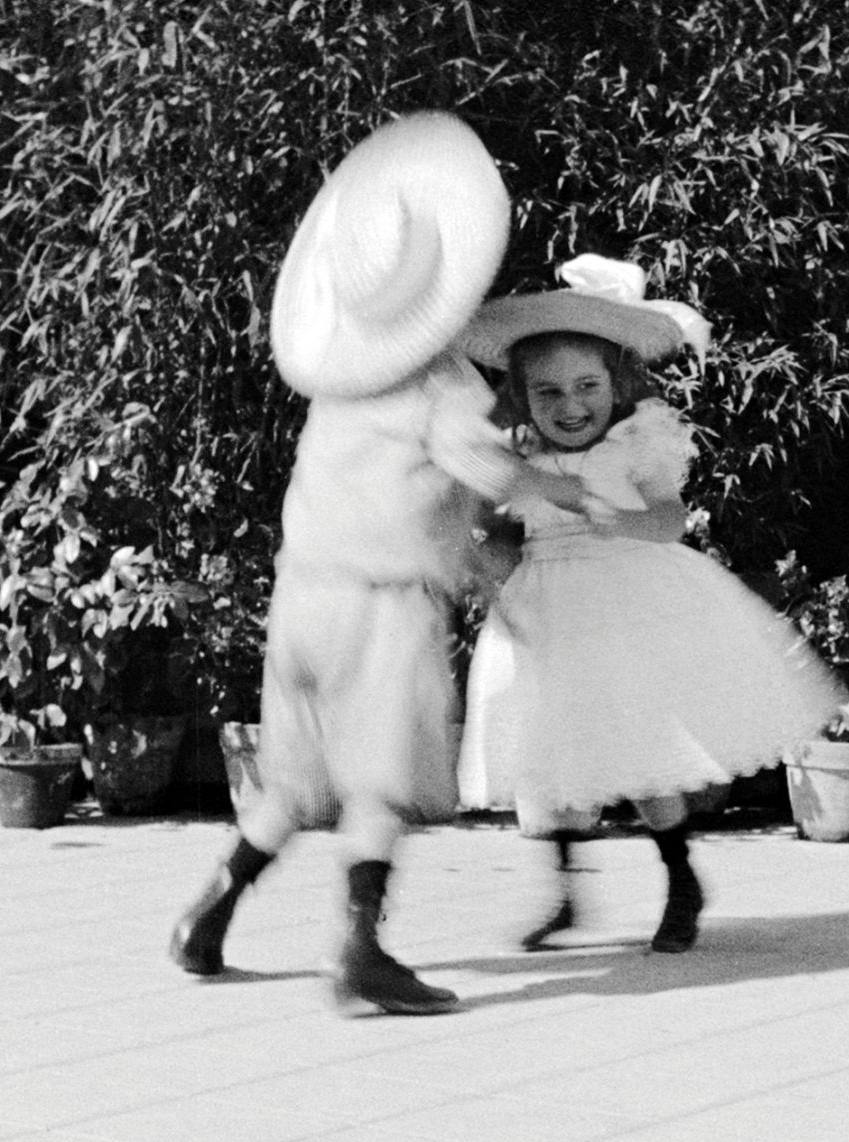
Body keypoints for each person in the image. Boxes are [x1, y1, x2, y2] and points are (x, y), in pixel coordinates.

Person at [168, 113, 599, 1015]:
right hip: (381, 603)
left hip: (302, 597)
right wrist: (563, 489)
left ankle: (210, 913)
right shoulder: (444, 385)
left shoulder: (338, 383)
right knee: (377, 786)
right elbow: (489, 475)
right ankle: (361, 948)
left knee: (295, 782)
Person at [456, 254, 844, 954]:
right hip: (550, 605)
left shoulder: (637, 440)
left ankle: (682, 881)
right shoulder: (518, 455)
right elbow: (494, 529)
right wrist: (488, 562)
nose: (570, 406)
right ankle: (568, 895)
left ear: (617, 383)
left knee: (639, 753)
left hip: (626, 597)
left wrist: (620, 517)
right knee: (558, 755)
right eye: (548, 392)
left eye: (587, 386)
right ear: (522, 396)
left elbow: (669, 520)